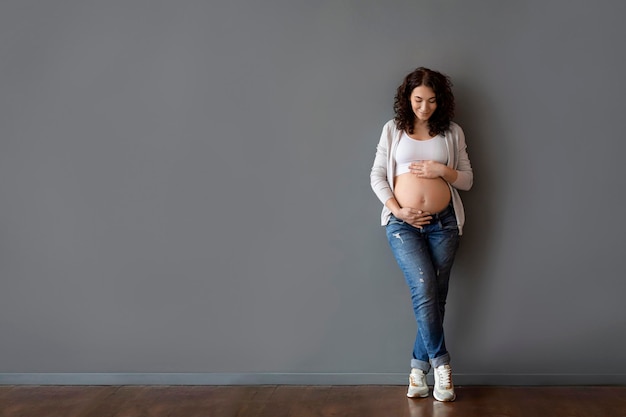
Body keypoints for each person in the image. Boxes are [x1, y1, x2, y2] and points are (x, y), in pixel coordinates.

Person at [370, 67, 473, 402]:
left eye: (431, 101)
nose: (424, 107)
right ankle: (442, 365)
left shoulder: (452, 133)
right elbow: (376, 175)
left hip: (444, 224)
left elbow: (467, 180)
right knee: (425, 288)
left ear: (440, 101)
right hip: (403, 226)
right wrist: (397, 209)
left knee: (436, 297)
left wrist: (441, 170)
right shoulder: (394, 130)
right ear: (407, 98)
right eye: (418, 100)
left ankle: (417, 370)